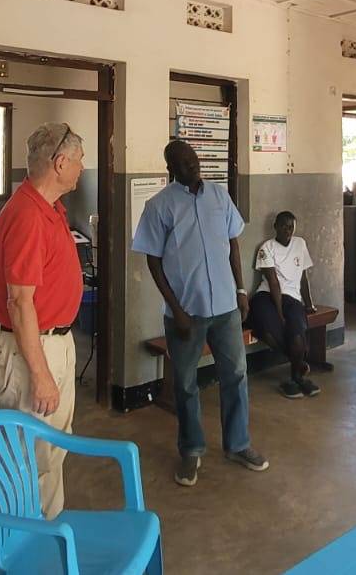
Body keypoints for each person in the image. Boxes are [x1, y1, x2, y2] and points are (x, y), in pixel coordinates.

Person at [133, 139, 268, 487]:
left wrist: (241, 289)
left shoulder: (219, 196)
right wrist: (176, 309)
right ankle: (191, 450)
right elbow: (153, 260)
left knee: (236, 374)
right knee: (187, 384)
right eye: (182, 162)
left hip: (226, 306)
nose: (191, 166)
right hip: (186, 313)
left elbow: (233, 244)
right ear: (170, 168)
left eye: (193, 159)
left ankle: (238, 445)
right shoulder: (159, 206)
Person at [0, 122, 86, 519]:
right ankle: (30, 542)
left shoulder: (49, 209)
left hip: (52, 341)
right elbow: (20, 303)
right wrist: (41, 374)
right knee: (34, 453)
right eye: (78, 161)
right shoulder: (27, 215)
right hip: (34, 348)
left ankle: (44, 529)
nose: (81, 168)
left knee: (50, 448)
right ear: (60, 163)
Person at [248, 211, 320, 399]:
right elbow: (273, 282)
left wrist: (309, 304)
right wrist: (280, 313)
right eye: (283, 226)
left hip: (292, 298)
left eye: (291, 226)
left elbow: (304, 277)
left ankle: (296, 376)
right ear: (275, 227)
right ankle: (298, 368)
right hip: (267, 296)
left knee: (297, 334)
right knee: (270, 330)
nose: (287, 230)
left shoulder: (300, 244)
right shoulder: (267, 247)